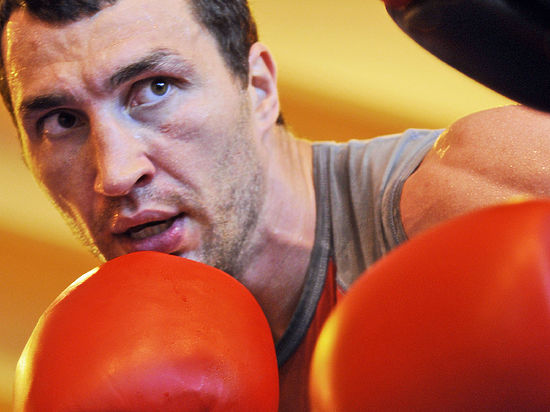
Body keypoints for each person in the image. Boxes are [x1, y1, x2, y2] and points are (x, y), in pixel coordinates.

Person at [3, 0, 550, 409]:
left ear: (259, 87)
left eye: (156, 88)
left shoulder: (477, 190)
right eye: (61, 121)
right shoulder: (95, 367)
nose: (117, 174)